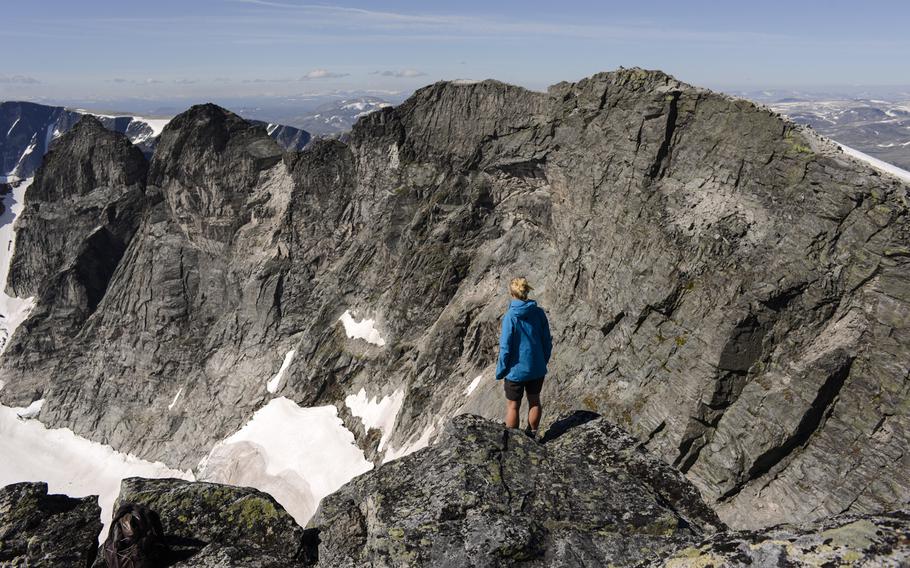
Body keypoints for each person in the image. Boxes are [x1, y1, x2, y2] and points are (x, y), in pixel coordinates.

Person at [495, 277, 552, 439]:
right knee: (534, 400)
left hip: (515, 371)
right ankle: (532, 433)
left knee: (513, 406)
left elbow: (505, 347)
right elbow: (547, 340)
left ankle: (513, 439)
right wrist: (543, 360)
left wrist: (501, 370)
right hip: (537, 367)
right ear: (527, 291)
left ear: (511, 293)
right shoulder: (539, 313)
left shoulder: (510, 317)